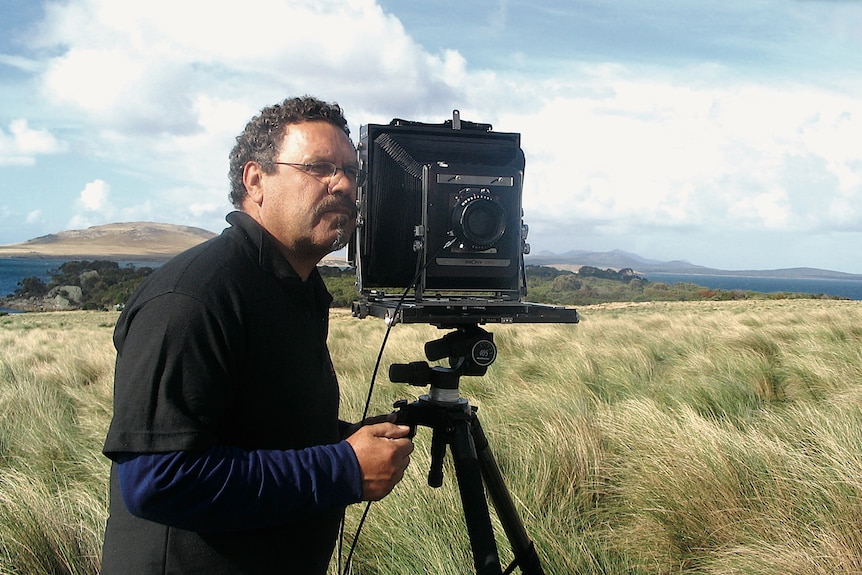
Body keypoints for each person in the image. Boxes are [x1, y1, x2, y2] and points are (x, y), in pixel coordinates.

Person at [100, 96, 414, 574]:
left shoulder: (295, 289)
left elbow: (252, 432)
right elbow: (156, 479)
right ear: (255, 180)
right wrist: (343, 467)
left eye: (353, 172)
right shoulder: (194, 298)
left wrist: (344, 441)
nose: (345, 184)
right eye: (319, 167)